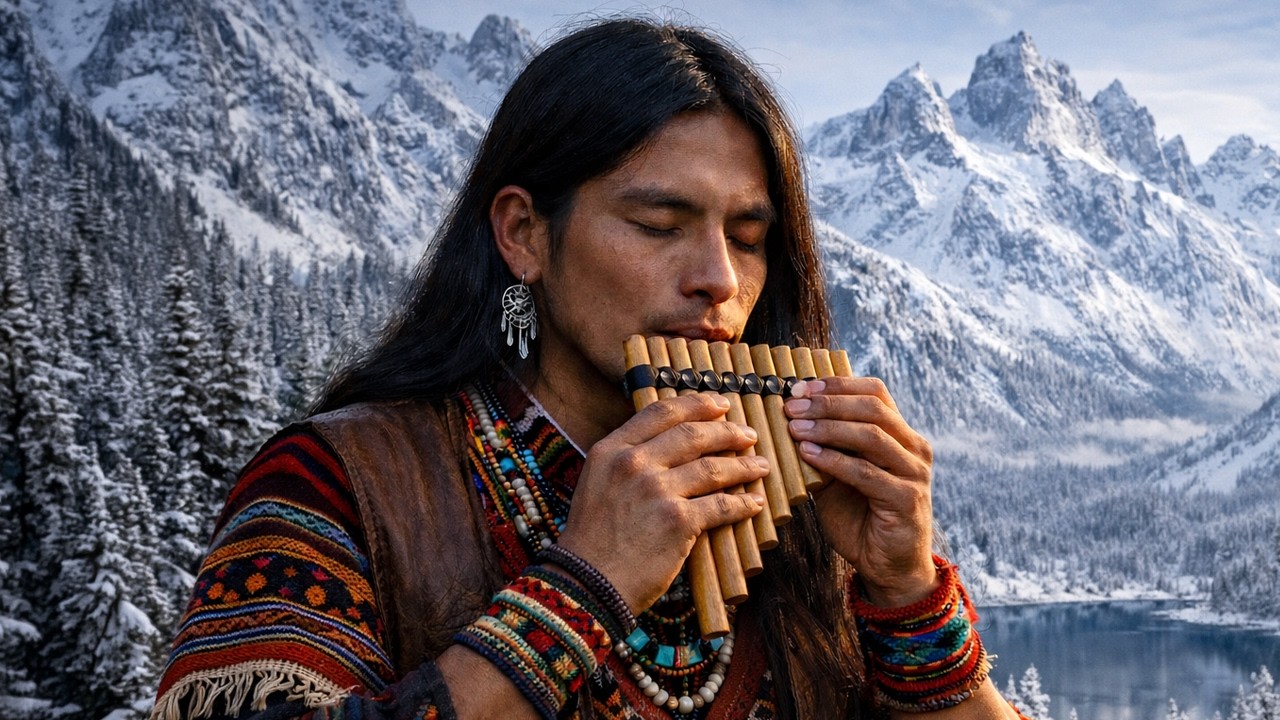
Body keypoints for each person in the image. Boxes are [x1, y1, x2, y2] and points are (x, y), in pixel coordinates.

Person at [151, 17, 1026, 720]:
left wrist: (907, 595)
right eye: (658, 224)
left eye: (750, 238)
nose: (719, 278)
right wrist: (582, 588)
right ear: (524, 234)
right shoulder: (340, 484)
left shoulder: (793, 519)